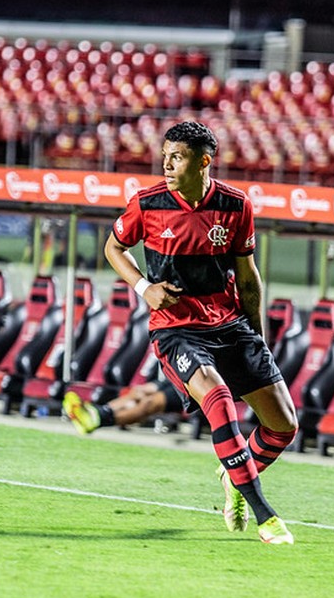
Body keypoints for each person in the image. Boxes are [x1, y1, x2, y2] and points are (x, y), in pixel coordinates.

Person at [104, 121, 299, 545]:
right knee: (219, 400)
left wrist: (257, 338)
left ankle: (234, 476)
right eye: (165, 156)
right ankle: (266, 515)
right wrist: (144, 288)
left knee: (283, 426)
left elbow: (248, 278)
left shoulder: (235, 205)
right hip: (177, 329)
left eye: (177, 157)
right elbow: (113, 248)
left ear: (203, 161)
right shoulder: (147, 202)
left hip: (230, 324)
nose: (167, 164)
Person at [63, 381, 185, 434]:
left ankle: (98, 419)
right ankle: (101, 411)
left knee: (149, 402)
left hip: (196, 383)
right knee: (138, 391)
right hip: (182, 372)